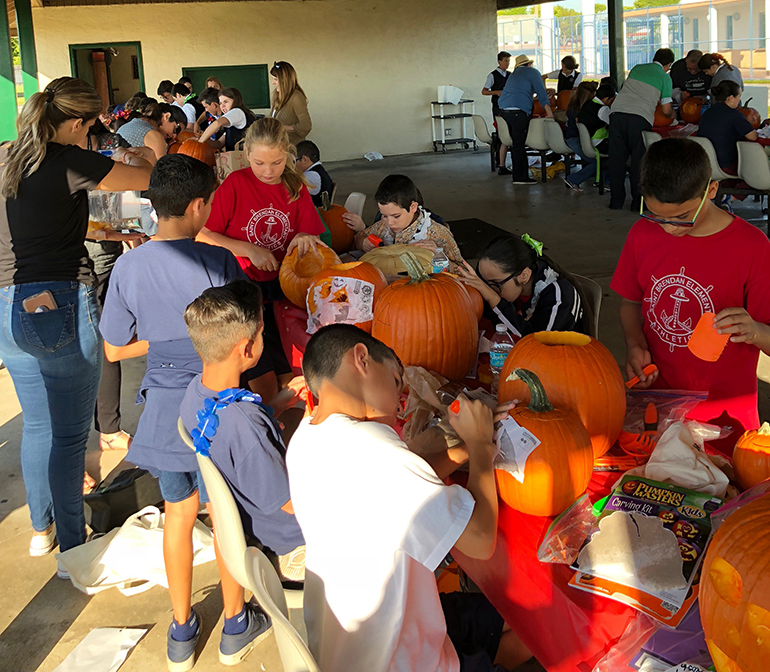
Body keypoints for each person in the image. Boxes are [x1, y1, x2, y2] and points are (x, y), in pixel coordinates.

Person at [287, 324, 532, 672]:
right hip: (400, 660)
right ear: (362, 359)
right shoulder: (376, 452)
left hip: (348, 645)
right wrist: (480, 449)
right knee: (531, 631)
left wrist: (468, 447)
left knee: (513, 618)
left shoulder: (307, 436)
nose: (401, 402)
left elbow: (402, 479)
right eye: (397, 381)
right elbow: (479, 541)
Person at [99, 155, 259, 670]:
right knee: (228, 516)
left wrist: (165, 342)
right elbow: (244, 338)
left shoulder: (128, 264)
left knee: (178, 516)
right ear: (197, 207)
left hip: (166, 413)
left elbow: (114, 349)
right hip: (219, 407)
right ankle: (235, 624)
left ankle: (181, 632)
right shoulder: (216, 262)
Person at [0, 77, 152, 563]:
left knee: (39, 426)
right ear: (77, 122)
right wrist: (141, 154)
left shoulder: (8, 154)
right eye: (92, 126)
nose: (93, 134)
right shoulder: (67, 158)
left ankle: (41, 530)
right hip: (59, 299)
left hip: (5, 306)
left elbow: (32, 217)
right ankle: (72, 546)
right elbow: (148, 178)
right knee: (68, 435)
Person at [610, 138, 770, 454]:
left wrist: (755, 331)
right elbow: (630, 300)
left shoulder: (752, 248)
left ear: (710, 190)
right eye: (657, 215)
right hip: (656, 405)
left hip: (723, 415)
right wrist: (635, 344)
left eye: (682, 216)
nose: (669, 228)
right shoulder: (643, 233)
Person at [180, 280, 306, 580]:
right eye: (262, 333)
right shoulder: (248, 425)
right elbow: (290, 504)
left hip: (258, 523)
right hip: (294, 543)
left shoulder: (196, 394)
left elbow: (230, 421)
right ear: (247, 348)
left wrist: (279, 402)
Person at [198, 118, 326, 399]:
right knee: (254, 369)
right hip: (242, 289)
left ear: (287, 156)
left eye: (276, 163)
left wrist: (306, 236)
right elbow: (204, 235)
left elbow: (313, 234)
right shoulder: (235, 184)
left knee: (289, 368)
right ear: (246, 157)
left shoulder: (296, 188)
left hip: (284, 289)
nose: (268, 172)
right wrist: (248, 249)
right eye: (259, 163)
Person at [81, 120, 150, 457]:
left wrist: (130, 156)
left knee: (104, 339)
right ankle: (105, 428)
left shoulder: (99, 144)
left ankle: (107, 426)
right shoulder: (64, 157)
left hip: (101, 252)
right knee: (100, 343)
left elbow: (143, 170)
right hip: (88, 257)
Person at [458, 233, 588, 336]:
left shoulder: (558, 295)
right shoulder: (513, 285)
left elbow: (535, 343)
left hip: (560, 362)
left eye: (495, 284)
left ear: (524, 275)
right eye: (484, 282)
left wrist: (495, 300)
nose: (489, 290)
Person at [608, 48, 676, 211]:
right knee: (638, 162)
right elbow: (666, 110)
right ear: (668, 65)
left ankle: (616, 202)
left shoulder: (637, 68)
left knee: (616, 160)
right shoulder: (664, 77)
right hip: (639, 118)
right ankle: (637, 203)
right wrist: (673, 115)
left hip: (616, 114)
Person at [349, 174, 463, 264]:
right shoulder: (382, 227)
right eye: (384, 216)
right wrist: (362, 243)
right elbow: (358, 238)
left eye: (396, 216)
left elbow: (462, 270)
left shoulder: (437, 234)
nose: (389, 222)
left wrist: (439, 255)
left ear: (413, 207)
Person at [498, 54, 553, 185]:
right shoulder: (532, 72)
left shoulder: (514, 75)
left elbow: (520, 93)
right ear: (529, 64)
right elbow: (541, 94)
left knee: (516, 142)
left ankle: (518, 173)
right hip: (519, 112)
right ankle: (520, 177)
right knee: (519, 144)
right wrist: (550, 113)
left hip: (503, 110)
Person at [697, 80, 758, 173]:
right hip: (725, 165)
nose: (739, 100)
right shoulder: (734, 114)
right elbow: (753, 137)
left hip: (704, 164)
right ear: (731, 98)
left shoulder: (708, 112)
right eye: (738, 97)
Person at [117, 98, 187, 160]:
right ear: (167, 116)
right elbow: (162, 170)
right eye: (176, 129)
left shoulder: (134, 123)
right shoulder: (153, 135)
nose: (174, 136)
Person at [563, 81, 601, 192]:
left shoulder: (572, 104)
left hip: (570, 138)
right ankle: (573, 179)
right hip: (575, 139)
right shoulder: (582, 109)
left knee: (594, 161)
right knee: (596, 163)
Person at [197, 87, 256, 151]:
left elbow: (217, 123)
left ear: (235, 101)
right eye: (220, 103)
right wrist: (204, 141)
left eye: (226, 102)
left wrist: (199, 143)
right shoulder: (230, 121)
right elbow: (219, 144)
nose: (222, 106)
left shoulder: (237, 112)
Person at [481, 51, 511, 175]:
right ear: (499, 62)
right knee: (501, 132)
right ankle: (499, 162)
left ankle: (502, 161)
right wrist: (496, 92)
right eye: (505, 61)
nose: (508, 63)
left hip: (509, 107)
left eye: (509, 61)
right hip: (498, 107)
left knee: (508, 132)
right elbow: (484, 91)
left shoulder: (510, 75)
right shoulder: (492, 76)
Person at [270, 61, 311, 145]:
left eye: (275, 79)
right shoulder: (277, 95)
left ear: (285, 80)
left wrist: (282, 128)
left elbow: (306, 126)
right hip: (278, 148)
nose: (273, 82)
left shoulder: (296, 97)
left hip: (291, 149)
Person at [295, 140, 333, 207]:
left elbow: (288, 190)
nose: (293, 165)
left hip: (315, 214)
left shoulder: (312, 176)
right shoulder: (318, 171)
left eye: (294, 161)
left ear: (305, 160)